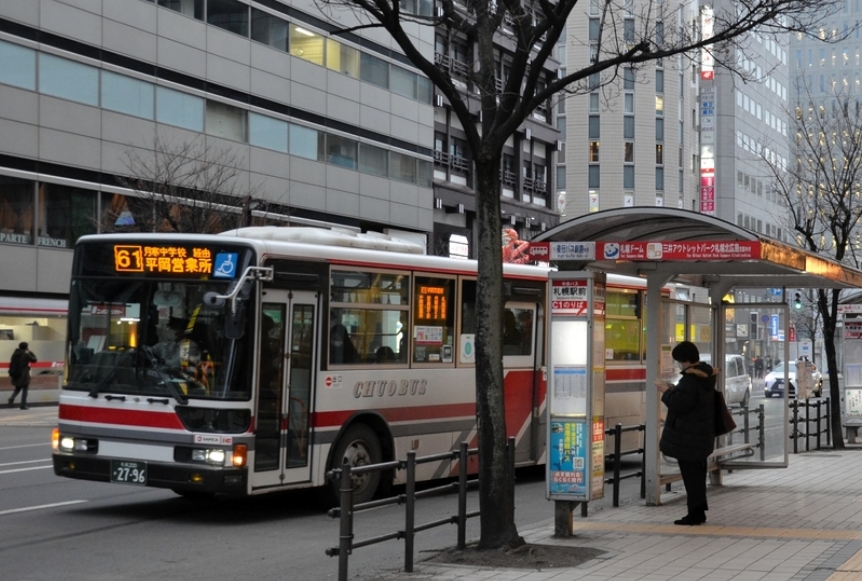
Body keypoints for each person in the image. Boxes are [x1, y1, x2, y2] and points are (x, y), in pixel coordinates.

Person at [654, 341, 716, 526]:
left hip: (689, 436)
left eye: (679, 360)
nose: (679, 364)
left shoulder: (690, 379)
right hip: (700, 435)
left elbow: (680, 405)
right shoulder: (705, 376)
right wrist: (675, 390)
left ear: (685, 360)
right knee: (697, 474)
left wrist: (666, 392)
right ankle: (698, 511)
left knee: (692, 477)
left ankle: (695, 514)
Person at [8, 342, 37, 410]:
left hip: (15, 373)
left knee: (18, 387)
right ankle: (23, 405)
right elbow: (34, 359)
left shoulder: (15, 353)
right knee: (25, 389)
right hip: (23, 374)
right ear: (26, 347)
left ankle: (11, 398)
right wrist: (30, 352)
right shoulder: (25, 354)